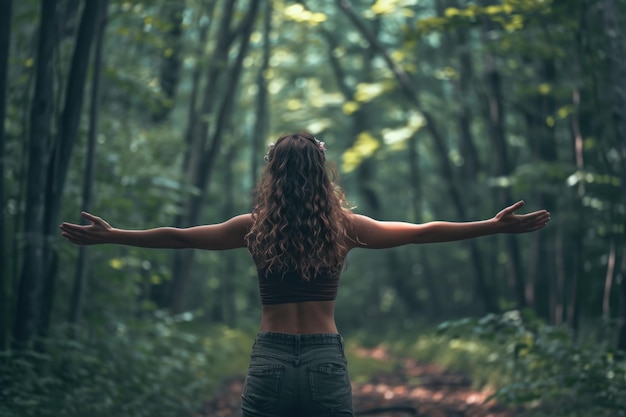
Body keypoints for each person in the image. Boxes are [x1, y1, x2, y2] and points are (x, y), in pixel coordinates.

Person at [59, 131, 550, 417]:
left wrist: (115, 234)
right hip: (323, 360)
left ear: (272, 176)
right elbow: (422, 231)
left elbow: (179, 235)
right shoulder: (346, 228)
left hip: (270, 357)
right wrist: (489, 226)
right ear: (322, 174)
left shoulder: (252, 228)